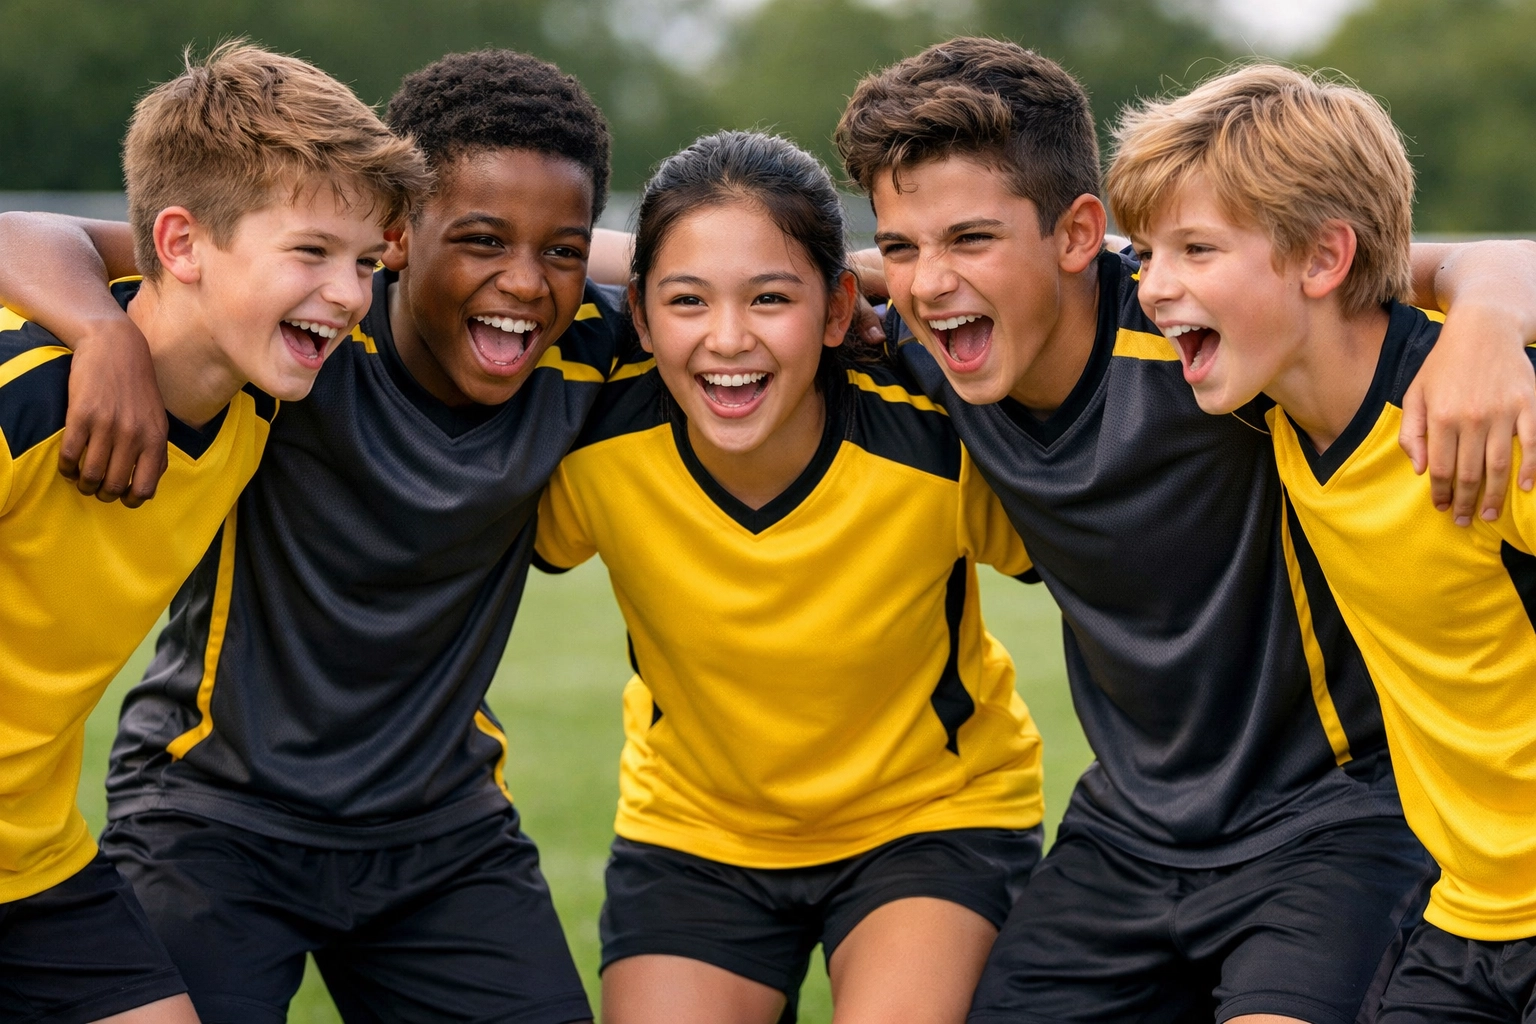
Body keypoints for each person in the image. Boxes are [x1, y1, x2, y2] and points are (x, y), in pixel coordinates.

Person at [835, 37, 1536, 1024]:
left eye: (971, 240)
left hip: (1331, 829)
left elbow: (1385, 266)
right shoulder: (943, 332)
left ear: (1080, 236)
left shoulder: (1245, 351)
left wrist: (1490, 313)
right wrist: (550, 250)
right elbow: (704, 261)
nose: (929, 279)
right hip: (1129, 830)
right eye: (902, 249)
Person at [0, 50, 629, 1021]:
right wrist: (101, 334)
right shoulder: (280, 356)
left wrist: (860, 272)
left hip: (435, 831)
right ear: (406, 238)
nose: (523, 279)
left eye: (560, 251)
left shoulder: (564, 345)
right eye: (477, 237)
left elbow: (704, 272)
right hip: (214, 817)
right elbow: (33, 233)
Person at [532, 129, 1043, 1024]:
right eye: (687, 300)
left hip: (929, 822)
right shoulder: (593, 440)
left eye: (772, 297)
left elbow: (1090, 280)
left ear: (839, 311)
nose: (729, 339)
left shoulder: (937, 436)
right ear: (641, 319)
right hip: (693, 834)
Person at [0, 41, 426, 1024]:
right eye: (313, 253)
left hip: (35, 863)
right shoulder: (29, 402)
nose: (353, 294)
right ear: (185, 246)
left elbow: (498, 242)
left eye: (364, 262)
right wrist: (100, 337)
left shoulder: (260, 378)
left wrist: (821, 264)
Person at [1109, 63, 1536, 1024]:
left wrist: (1496, 311)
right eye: (1148, 255)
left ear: (1321, 260)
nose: (1154, 288)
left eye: (1195, 250)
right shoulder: (1281, 409)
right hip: (1464, 920)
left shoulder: (1483, 413)